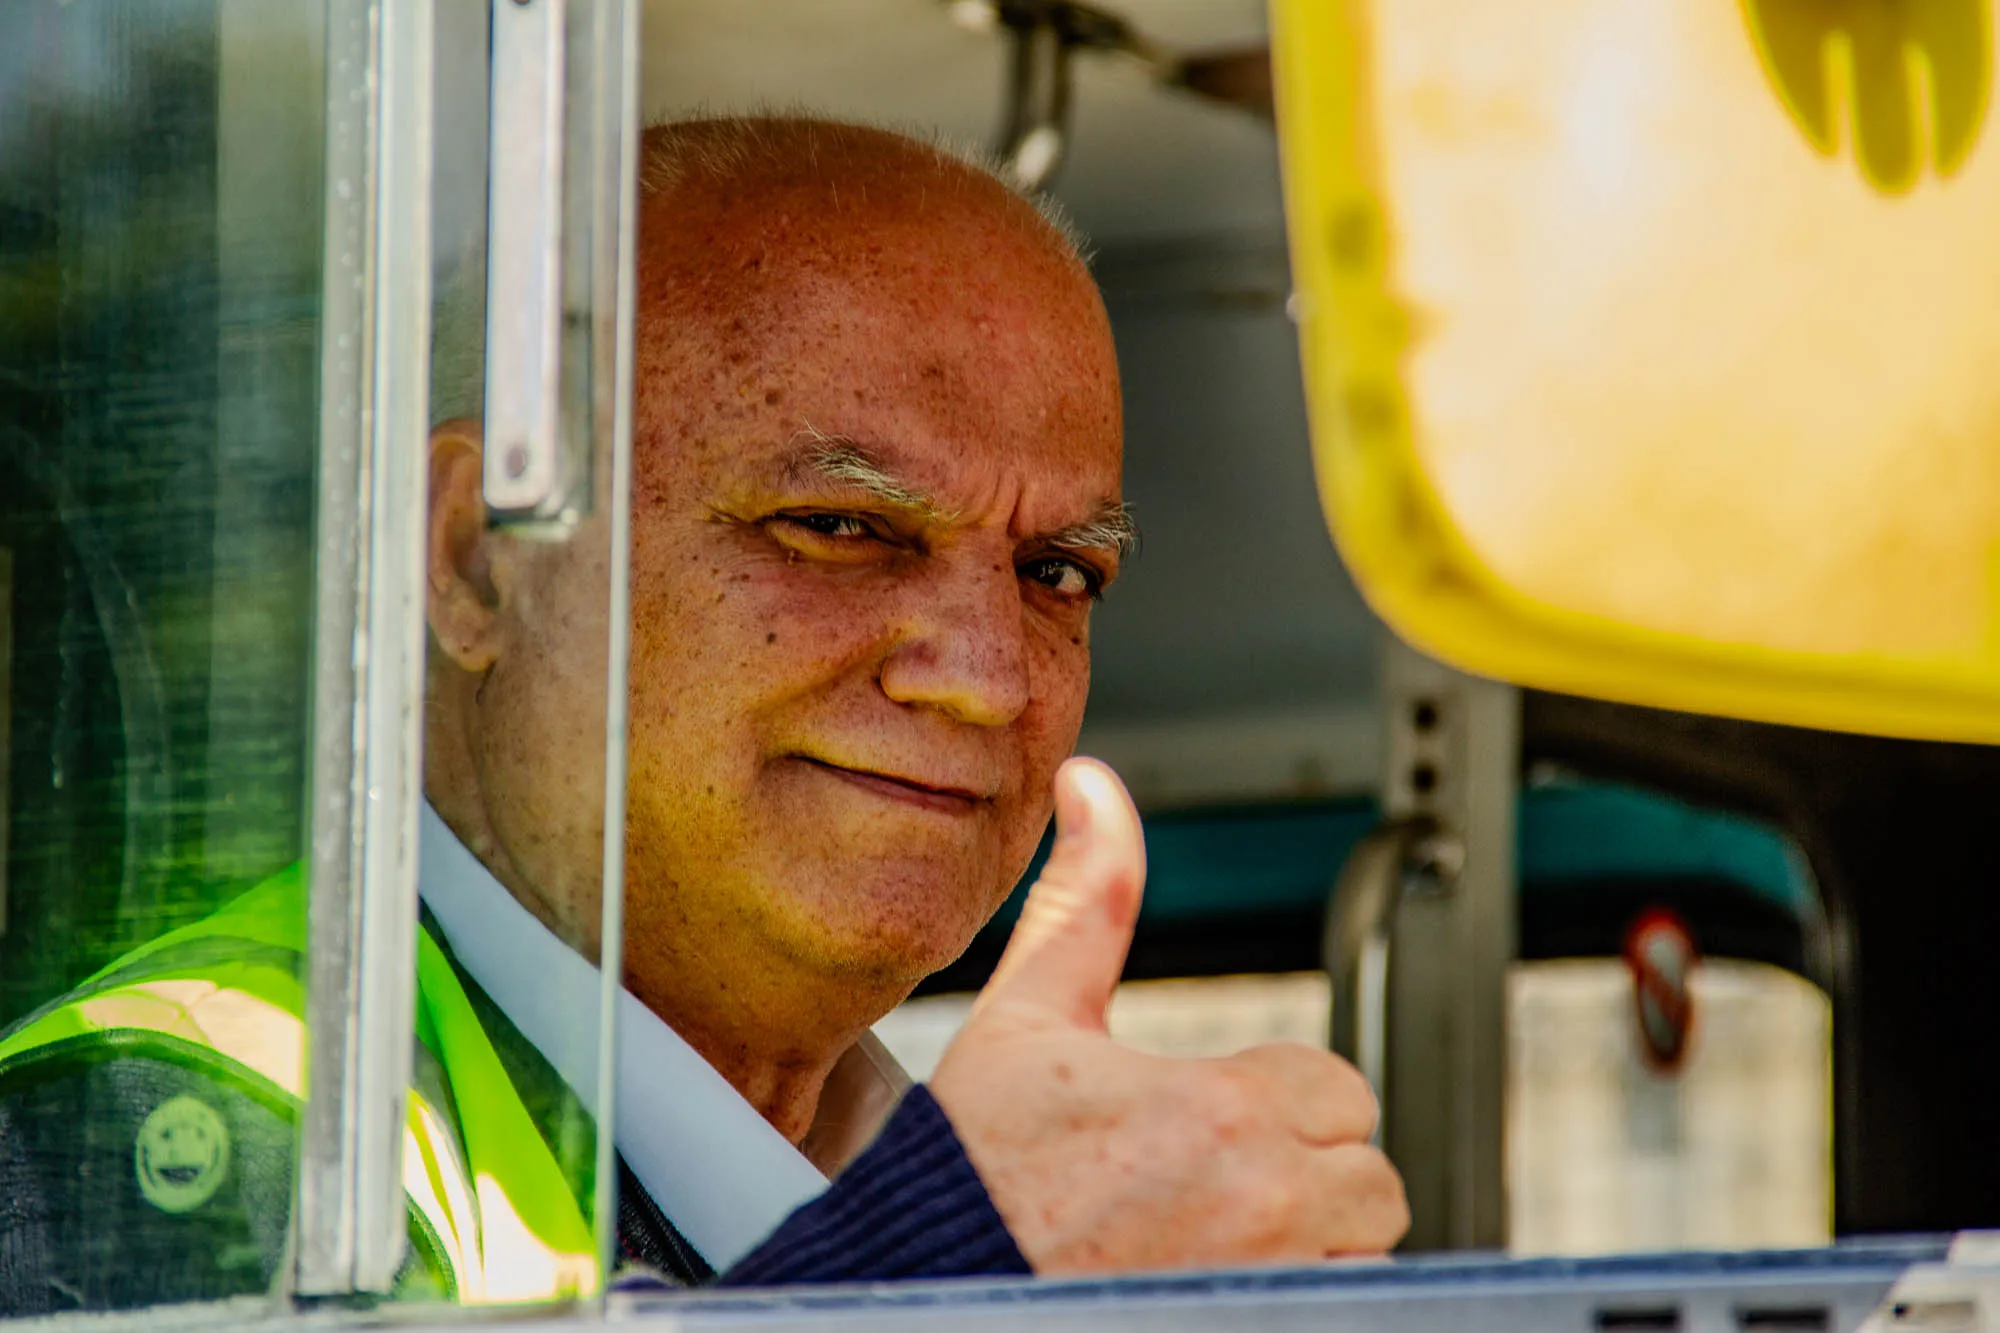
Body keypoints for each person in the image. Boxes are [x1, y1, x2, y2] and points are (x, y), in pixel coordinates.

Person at [0, 117, 1405, 1313]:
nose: (989, 675)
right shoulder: (151, 1144)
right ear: (475, 561)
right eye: (840, 526)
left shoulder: (875, 1176)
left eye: (1057, 571)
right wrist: (953, 1269)